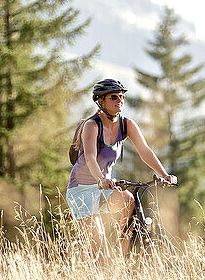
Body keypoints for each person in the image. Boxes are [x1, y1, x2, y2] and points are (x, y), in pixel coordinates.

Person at [66, 77, 177, 257]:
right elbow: (90, 158)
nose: (120, 101)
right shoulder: (92, 125)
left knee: (129, 201)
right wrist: (101, 179)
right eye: (114, 97)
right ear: (101, 101)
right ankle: (90, 272)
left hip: (106, 187)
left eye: (121, 97)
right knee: (97, 247)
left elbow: (145, 151)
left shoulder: (126, 124)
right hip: (81, 189)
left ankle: (120, 255)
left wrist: (164, 175)